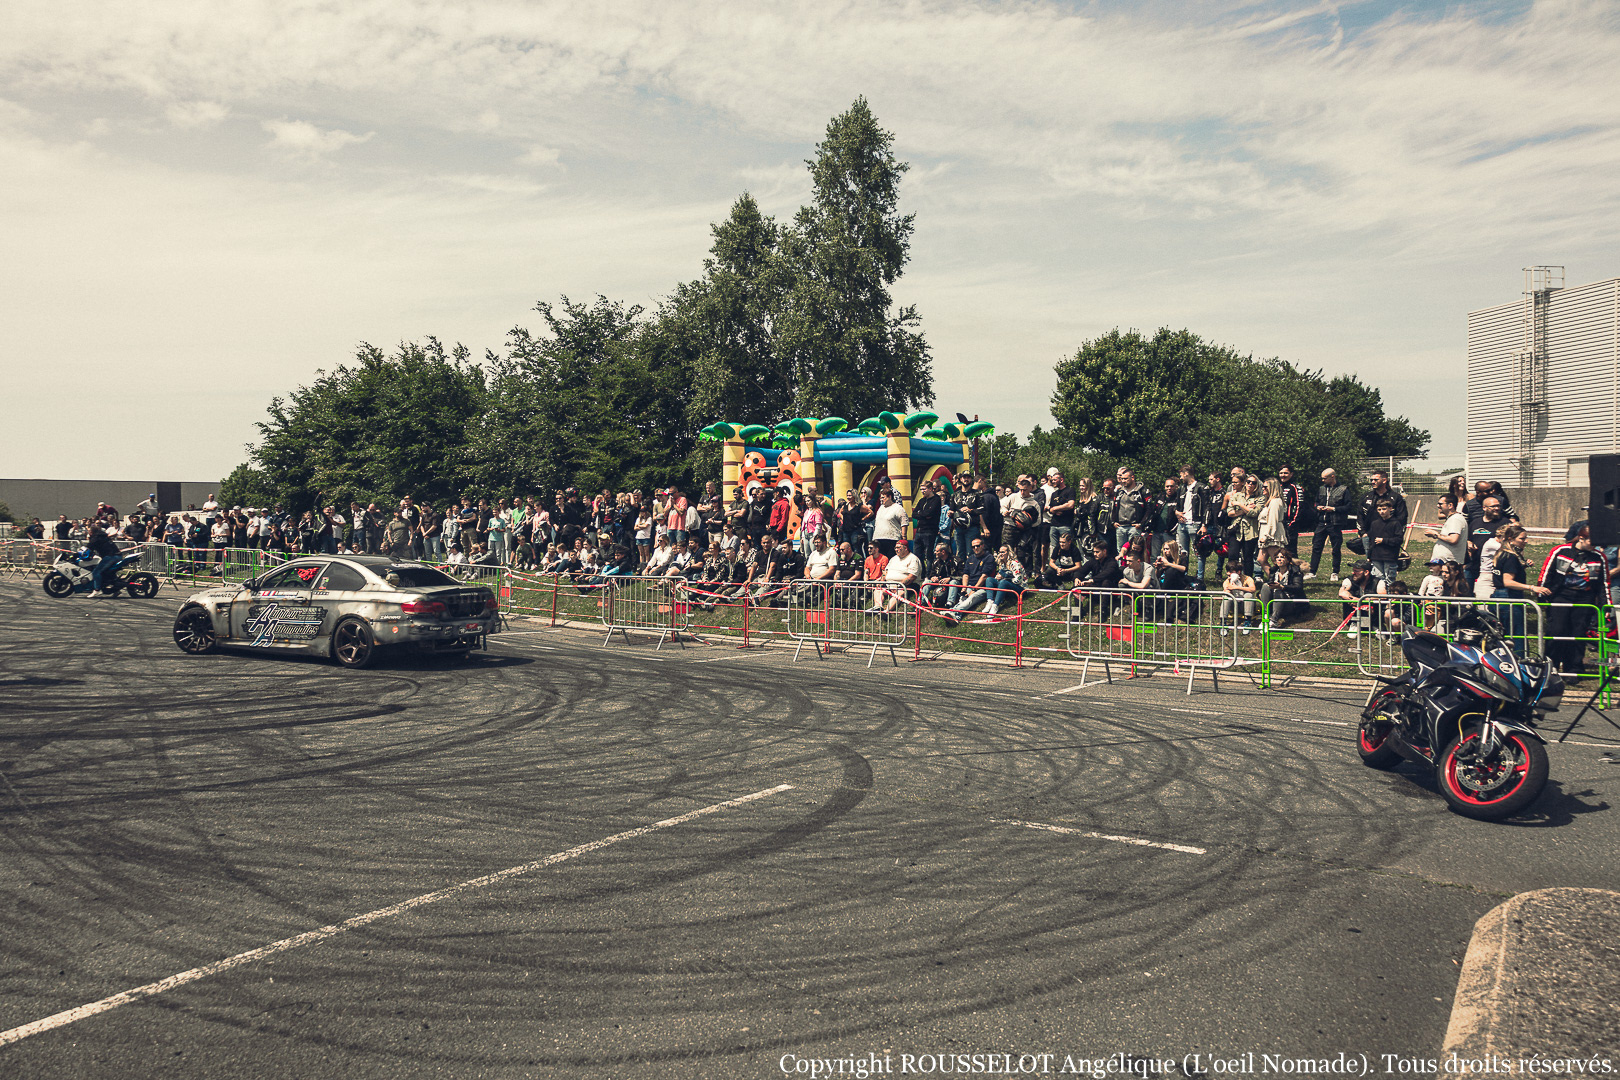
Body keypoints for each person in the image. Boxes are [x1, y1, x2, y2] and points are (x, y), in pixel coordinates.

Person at [1538, 520, 1608, 677]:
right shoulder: (1560, 551)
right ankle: (1550, 667)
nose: (1594, 545)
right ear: (1581, 538)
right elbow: (1546, 573)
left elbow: (1604, 584)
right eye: (1591, 541)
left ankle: (1574, 669)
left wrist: (1606, 606)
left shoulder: (1599, 557)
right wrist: (1542, 596)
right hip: (1561, 596)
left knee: (1578, 634)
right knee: (1556, 631)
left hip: (1585, 598)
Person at [1490, 525, 1546, 649]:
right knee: (1516, 637)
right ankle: (1519, 664)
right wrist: (1532, 587)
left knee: (1501, 636)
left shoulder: (1501, 553)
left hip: (1497, 596)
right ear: (1511, 539)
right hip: (1509, 598)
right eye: (1522, 538)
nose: (1526, 541)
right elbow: (1508, 581)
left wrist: (1523, 566)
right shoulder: (1511, 557)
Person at [939, 536, 997, 626]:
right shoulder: (970, 558)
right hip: (970, 585)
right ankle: (956, 617)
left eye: (977, 546)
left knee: (971, 599)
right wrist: (964, 588)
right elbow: (965, 575)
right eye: (973, 547)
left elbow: (984, 576)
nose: (975, 548)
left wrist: (974, 589)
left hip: (983, 587)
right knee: (962, 599)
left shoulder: (989, 557)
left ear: (983, 546)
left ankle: (952, 611)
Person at [1309, 468, 1350, 581]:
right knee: (1316, 547)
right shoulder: (1321, 489)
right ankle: (1312, 571)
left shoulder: (1343, 489)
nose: (1323, 480)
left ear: (1332, 477)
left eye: (1325, 478)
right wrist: (1317, 507)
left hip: (1335, 523)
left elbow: (1347, 506)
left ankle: (1335, 572)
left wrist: (1334, 509)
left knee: (1336, 549)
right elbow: (1316, 501)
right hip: (1322, 522)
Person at [1258, 549, 1307, 626]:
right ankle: (1265, 616)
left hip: (1290, 603)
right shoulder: (1273, 571)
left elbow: (1298, 588)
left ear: (1287, 560)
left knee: (1278, 591)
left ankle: (1274, 620)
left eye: (1282, 557)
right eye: (1277, 557)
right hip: (1274, 602)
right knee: (1265, 586)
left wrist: (1282, 587)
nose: (1279, 559)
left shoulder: (1295, 571)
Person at [874, 539, 923, 615]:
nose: (896, 550)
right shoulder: (894, 558)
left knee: (899, 592)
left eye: (898, 548)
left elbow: (911, 577)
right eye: (895, 548)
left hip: (906, 586)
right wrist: (882, 581)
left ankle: (886, 611)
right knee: (877, 590)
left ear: (905, 548)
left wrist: (899, 586)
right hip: (889, 585)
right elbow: (885, 572)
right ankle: (878, 607)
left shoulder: (913, 559)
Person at [1364, 499, 1405, 586]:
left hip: (1389, 556)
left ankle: (1390, 596)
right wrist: (1369, 555)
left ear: (1390, 509)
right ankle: (1379, 596)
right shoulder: (1375, 523)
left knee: (1389, 578)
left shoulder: (1395, 523)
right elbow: (1371, 541)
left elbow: (1399, 540)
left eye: (1384, 509)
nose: (1381, 512)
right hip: (1376, 556)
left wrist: (1384, 540)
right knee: (1377, 578)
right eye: (1379, 510)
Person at [1337, 560, 1379, 640]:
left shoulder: (1377, 582)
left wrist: (1362, 600)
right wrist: (1353, 599)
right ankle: (1354, 624)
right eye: (1353, 570)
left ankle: (1375, 625)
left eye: (1356, 571)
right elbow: (1342, 593)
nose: (1353, 573)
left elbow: (1383, 596)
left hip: (1372, 613)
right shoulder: (1349, 580)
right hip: (1354, 612)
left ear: (1366, 572)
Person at [1423, 493, 1467, 566]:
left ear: (1450, 505)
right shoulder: (1452, 518)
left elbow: (1453, 539)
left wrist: (1435, 534)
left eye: (1440, 504)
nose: (1438, 506)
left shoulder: (1456, 519)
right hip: (1444, 563)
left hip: (1448, 564)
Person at [80, 522, 124, 594]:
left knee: (96, 572)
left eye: (89, 531)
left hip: (111, 556)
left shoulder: (96, 538)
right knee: (106, 572)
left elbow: (89, 547)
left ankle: (97, 589)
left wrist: (77, 553)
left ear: (91, 532)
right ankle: (116, 590)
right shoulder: (102, 535)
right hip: (116, 555)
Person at [1219, 563, 1258, 635]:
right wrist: (1230, 584)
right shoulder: (1227, 581)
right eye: (1227, 571)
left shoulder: (1248, 579)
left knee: (1248, 595)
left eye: (1231, 571)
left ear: (1238, 572)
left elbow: (1253, 589)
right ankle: (1223, 623)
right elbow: (1226, 591)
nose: (1228, 573)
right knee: (1226, 596)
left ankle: (1247, 622)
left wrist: (1237, 587)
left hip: (1245, 605)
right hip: (1234, 605)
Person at [1258, 476, 1287, 568]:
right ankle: (1273, 579)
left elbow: (1272, 521)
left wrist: (1267, 536)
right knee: (1261, 559)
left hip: (1272, 535)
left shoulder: (1275, 502)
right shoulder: (1270, 501)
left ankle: (1282, 580)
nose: (1263, 488)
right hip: (1266, 534)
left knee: (1277, 560)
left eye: (1265, 487)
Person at [922, 542, 960, 609]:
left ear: (943, 552)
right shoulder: (936, 562)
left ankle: (949, 603)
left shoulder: (957, 561)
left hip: (952, 584)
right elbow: (931, 574)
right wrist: (933, 578)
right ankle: (921, 602)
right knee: (927, 582)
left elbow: (962, 575)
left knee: (953, 582)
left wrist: (950, 578)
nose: (934, 552)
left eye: (936, 551)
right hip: (939, 583)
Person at [871, 488, 907, 559]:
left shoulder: (898, 508)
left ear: (890, 497)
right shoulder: (881, 508)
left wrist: (904, 537)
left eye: (883, 497)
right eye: (880, 498)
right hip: (878, 538)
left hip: (892, 539)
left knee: (891, 559)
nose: (881, 499)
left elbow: (904, 523)